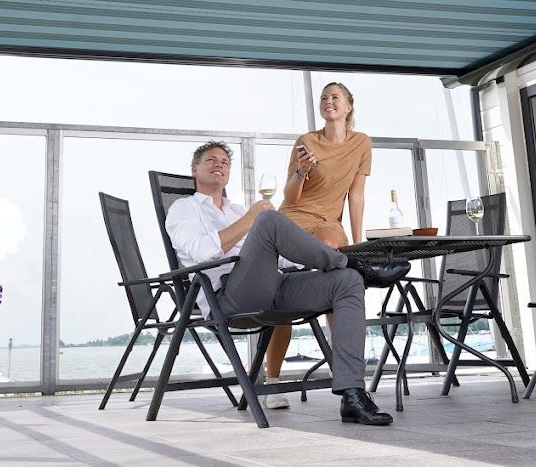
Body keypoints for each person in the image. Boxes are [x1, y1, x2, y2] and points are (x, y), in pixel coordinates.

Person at [165, 140, 403, 426]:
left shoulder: (237, 209)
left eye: (225, 162)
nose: (219, 165)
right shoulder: (184, 208)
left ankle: (352, 396)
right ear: (194, 170)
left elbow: (275, 260)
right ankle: (357, 265)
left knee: (346, 282)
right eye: (211, 160)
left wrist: (308, 258)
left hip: (271, 287)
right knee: (269, 220)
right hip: (227, 295)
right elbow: (201, 252)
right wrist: (253, 220)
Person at [262, 82, 374, 407]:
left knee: (336, 267)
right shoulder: (306, 141)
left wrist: (358, 242)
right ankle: (272, 380)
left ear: (348, 106)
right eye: (324, 98)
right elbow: (290, 196)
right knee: (283, 285)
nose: (328, 102)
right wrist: (301, 171)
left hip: (329, 223)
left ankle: (348, 381)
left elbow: (357, 195)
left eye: (334, 97)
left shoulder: (361, 143)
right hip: (294, 217)